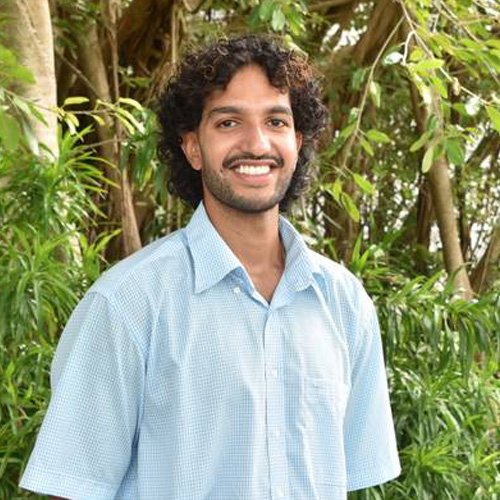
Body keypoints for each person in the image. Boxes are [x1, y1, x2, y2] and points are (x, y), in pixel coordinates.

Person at [20, 35, 400, 500]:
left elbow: (350, 479)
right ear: (193, 148)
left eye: (276, 121)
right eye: (228, 122)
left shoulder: (344, 303)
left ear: (297, 143)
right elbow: (71, 489)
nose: (256, 143)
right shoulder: (126, 305)